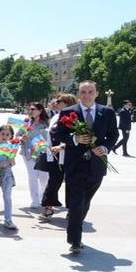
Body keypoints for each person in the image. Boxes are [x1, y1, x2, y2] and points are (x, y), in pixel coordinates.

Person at [52, 80, 118, 253]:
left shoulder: (107, 112)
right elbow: (59, 133)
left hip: (97, 165)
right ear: (78, 94)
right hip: (75, 164)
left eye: (90, 92)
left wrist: (105, 148)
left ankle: (76, 227)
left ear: (97, 93)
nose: (87, 95)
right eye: (83, 92)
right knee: (76, 202)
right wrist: (75, 139)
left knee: (85, 202)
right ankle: (75, 241)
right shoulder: (68, 112)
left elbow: (113, 135)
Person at [40, 93, 78, 220]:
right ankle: (48, 208)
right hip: (55, 156)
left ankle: (72, 210)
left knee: (72, 183)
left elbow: (78, 138)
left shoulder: (74, 117)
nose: (55, 102)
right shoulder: (56, 117)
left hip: (70, 155)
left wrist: (62, 147)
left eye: (59, 101)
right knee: (53, 182)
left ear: (67, 103)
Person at [20, 102, 50, 209]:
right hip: (27, 152)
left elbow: (52, 136)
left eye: (33, 109)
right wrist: (21, 138)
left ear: (40, 111)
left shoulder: (47, 123)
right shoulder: (26, 122)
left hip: (42, 153)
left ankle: (44, 197)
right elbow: (18, 134)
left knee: (44, 177)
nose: (30, 111)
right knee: (32, 176)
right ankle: (35, 200)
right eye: (30, 109)